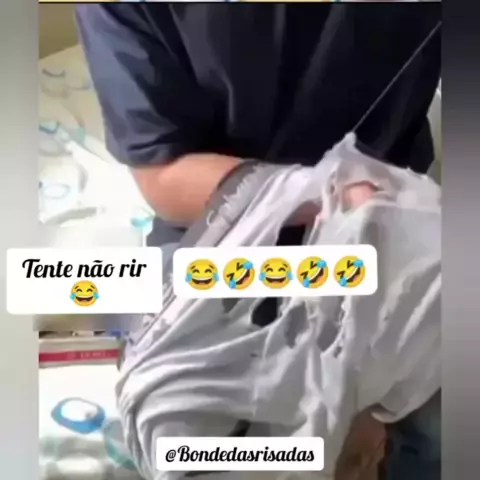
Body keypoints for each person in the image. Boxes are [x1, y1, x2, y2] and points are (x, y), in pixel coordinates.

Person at [75, 3, 441, 479]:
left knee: (430, 427)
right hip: (222, 229)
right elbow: (163, 172)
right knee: (177, 426)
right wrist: (323, 192)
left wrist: (362, 397)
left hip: (390, 223)